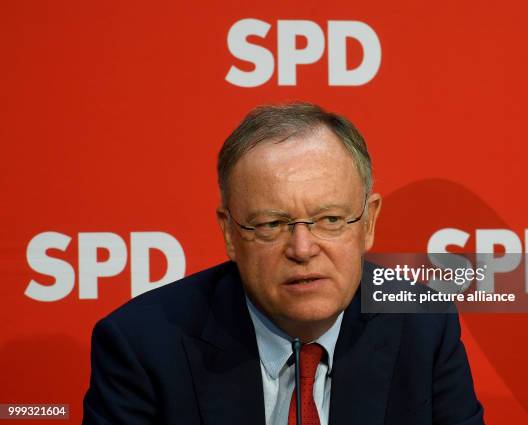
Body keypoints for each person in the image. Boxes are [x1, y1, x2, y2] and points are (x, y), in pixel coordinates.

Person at [82, 103, 484, 425]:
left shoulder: (423, 323)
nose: (303, 248)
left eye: (329, 219)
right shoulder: (143, 345)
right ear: (230, 232)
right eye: (272, 224)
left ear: (368, 223)